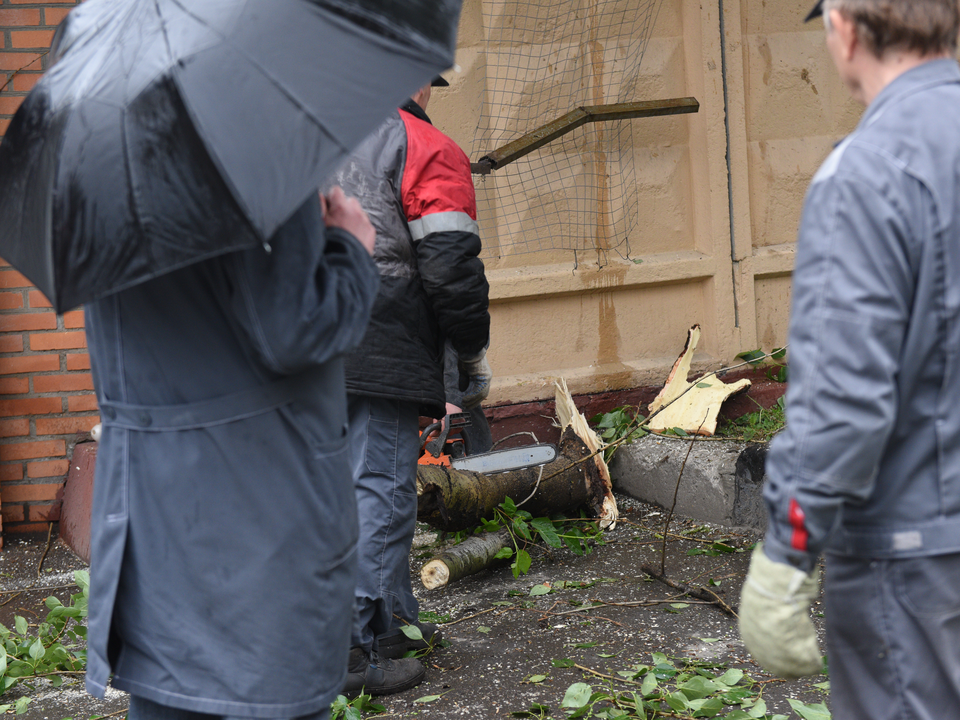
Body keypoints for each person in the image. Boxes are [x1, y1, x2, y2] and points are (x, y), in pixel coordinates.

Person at [738, 1, 960, 718]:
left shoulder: (869, 172)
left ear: (846, 30)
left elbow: (844, 400)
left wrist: (789, 550)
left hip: (915, 553)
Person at [83, 188, 380, 720]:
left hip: (155, 524)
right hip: (264, 521)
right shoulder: (259, 162)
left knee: (173, 695)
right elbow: (296, 331)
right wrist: (350, 248)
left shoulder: (104, 185)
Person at [333, 75, 491, 696]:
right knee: (380, 491)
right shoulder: (422, 144)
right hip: (373, 337)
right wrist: (471, 357)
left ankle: (391, 627)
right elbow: (451, 269)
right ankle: (355, 650)